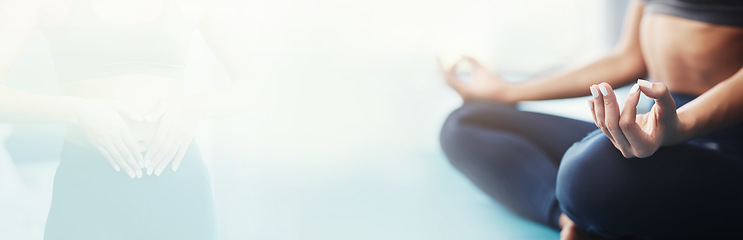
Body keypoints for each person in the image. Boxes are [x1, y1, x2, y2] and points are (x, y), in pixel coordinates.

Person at [439, 0, 743, 239]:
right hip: (661, 127)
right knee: (467, 124)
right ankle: (573, 222)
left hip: (726, 140)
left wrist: (682, 125)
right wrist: (506, 92)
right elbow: (628, 57)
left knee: (586, 173)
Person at [0, 0, 257, 239]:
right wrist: (78, 110)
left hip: (180, 182)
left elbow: (252, 85)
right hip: (89, 184)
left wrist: (194, 107)